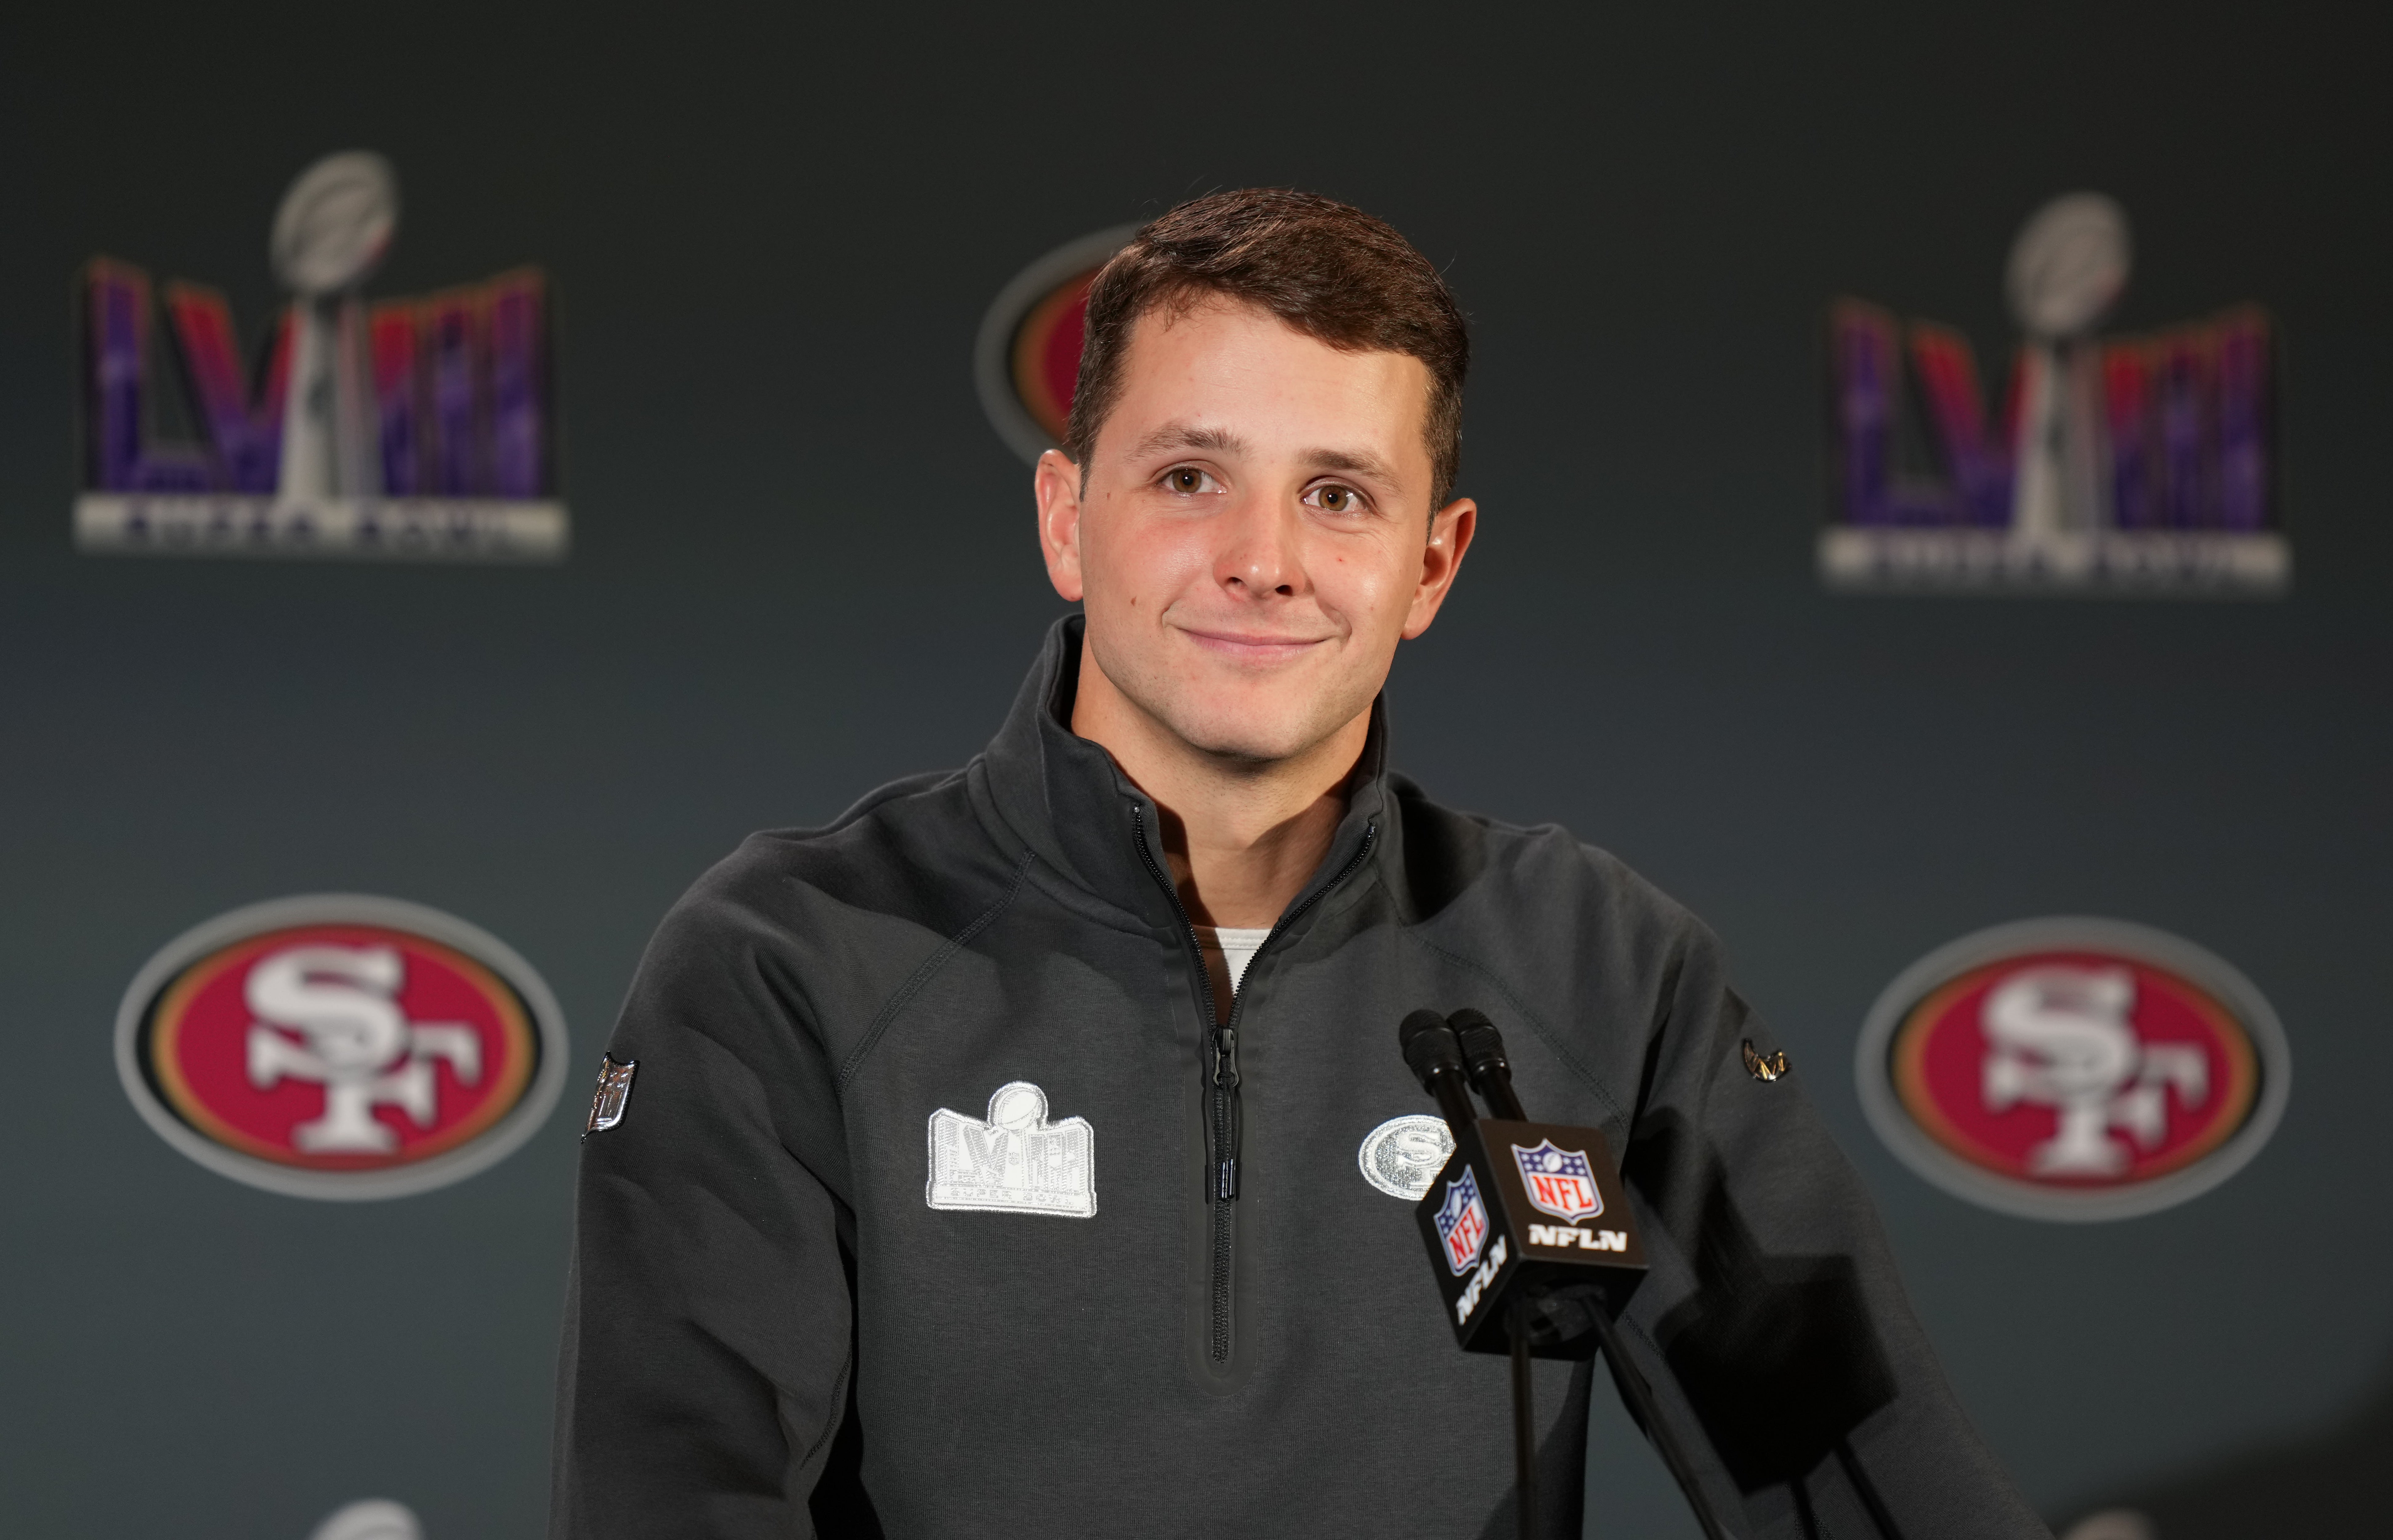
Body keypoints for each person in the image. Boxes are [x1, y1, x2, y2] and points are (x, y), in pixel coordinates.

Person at [550, 188, 2049, 1539]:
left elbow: (1869, 1487)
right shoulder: (791, 958)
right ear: (1068, 522)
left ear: (1431, 566)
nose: (1262, 557)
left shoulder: (1599, 970)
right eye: (1191, 478)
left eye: (1338, 496)